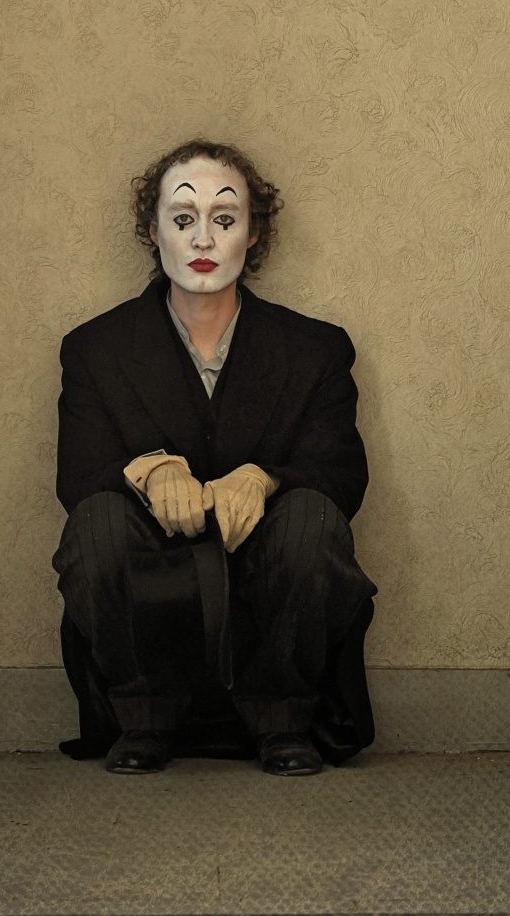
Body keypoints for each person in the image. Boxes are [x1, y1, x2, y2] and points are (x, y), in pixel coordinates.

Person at [51, 138, 377, 775]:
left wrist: (265, 478)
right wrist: (149, 470)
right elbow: (78, 476)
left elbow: (341, 472)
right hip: (155, 572)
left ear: (253, 234)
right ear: (154, 233)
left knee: (313, 519)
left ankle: (283, 720)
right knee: (95, 523)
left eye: (224, 218)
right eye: (183, 218)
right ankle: (142, 719)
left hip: (266, 572)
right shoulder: (95, 348)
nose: (203, 238)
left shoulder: (315, 349)